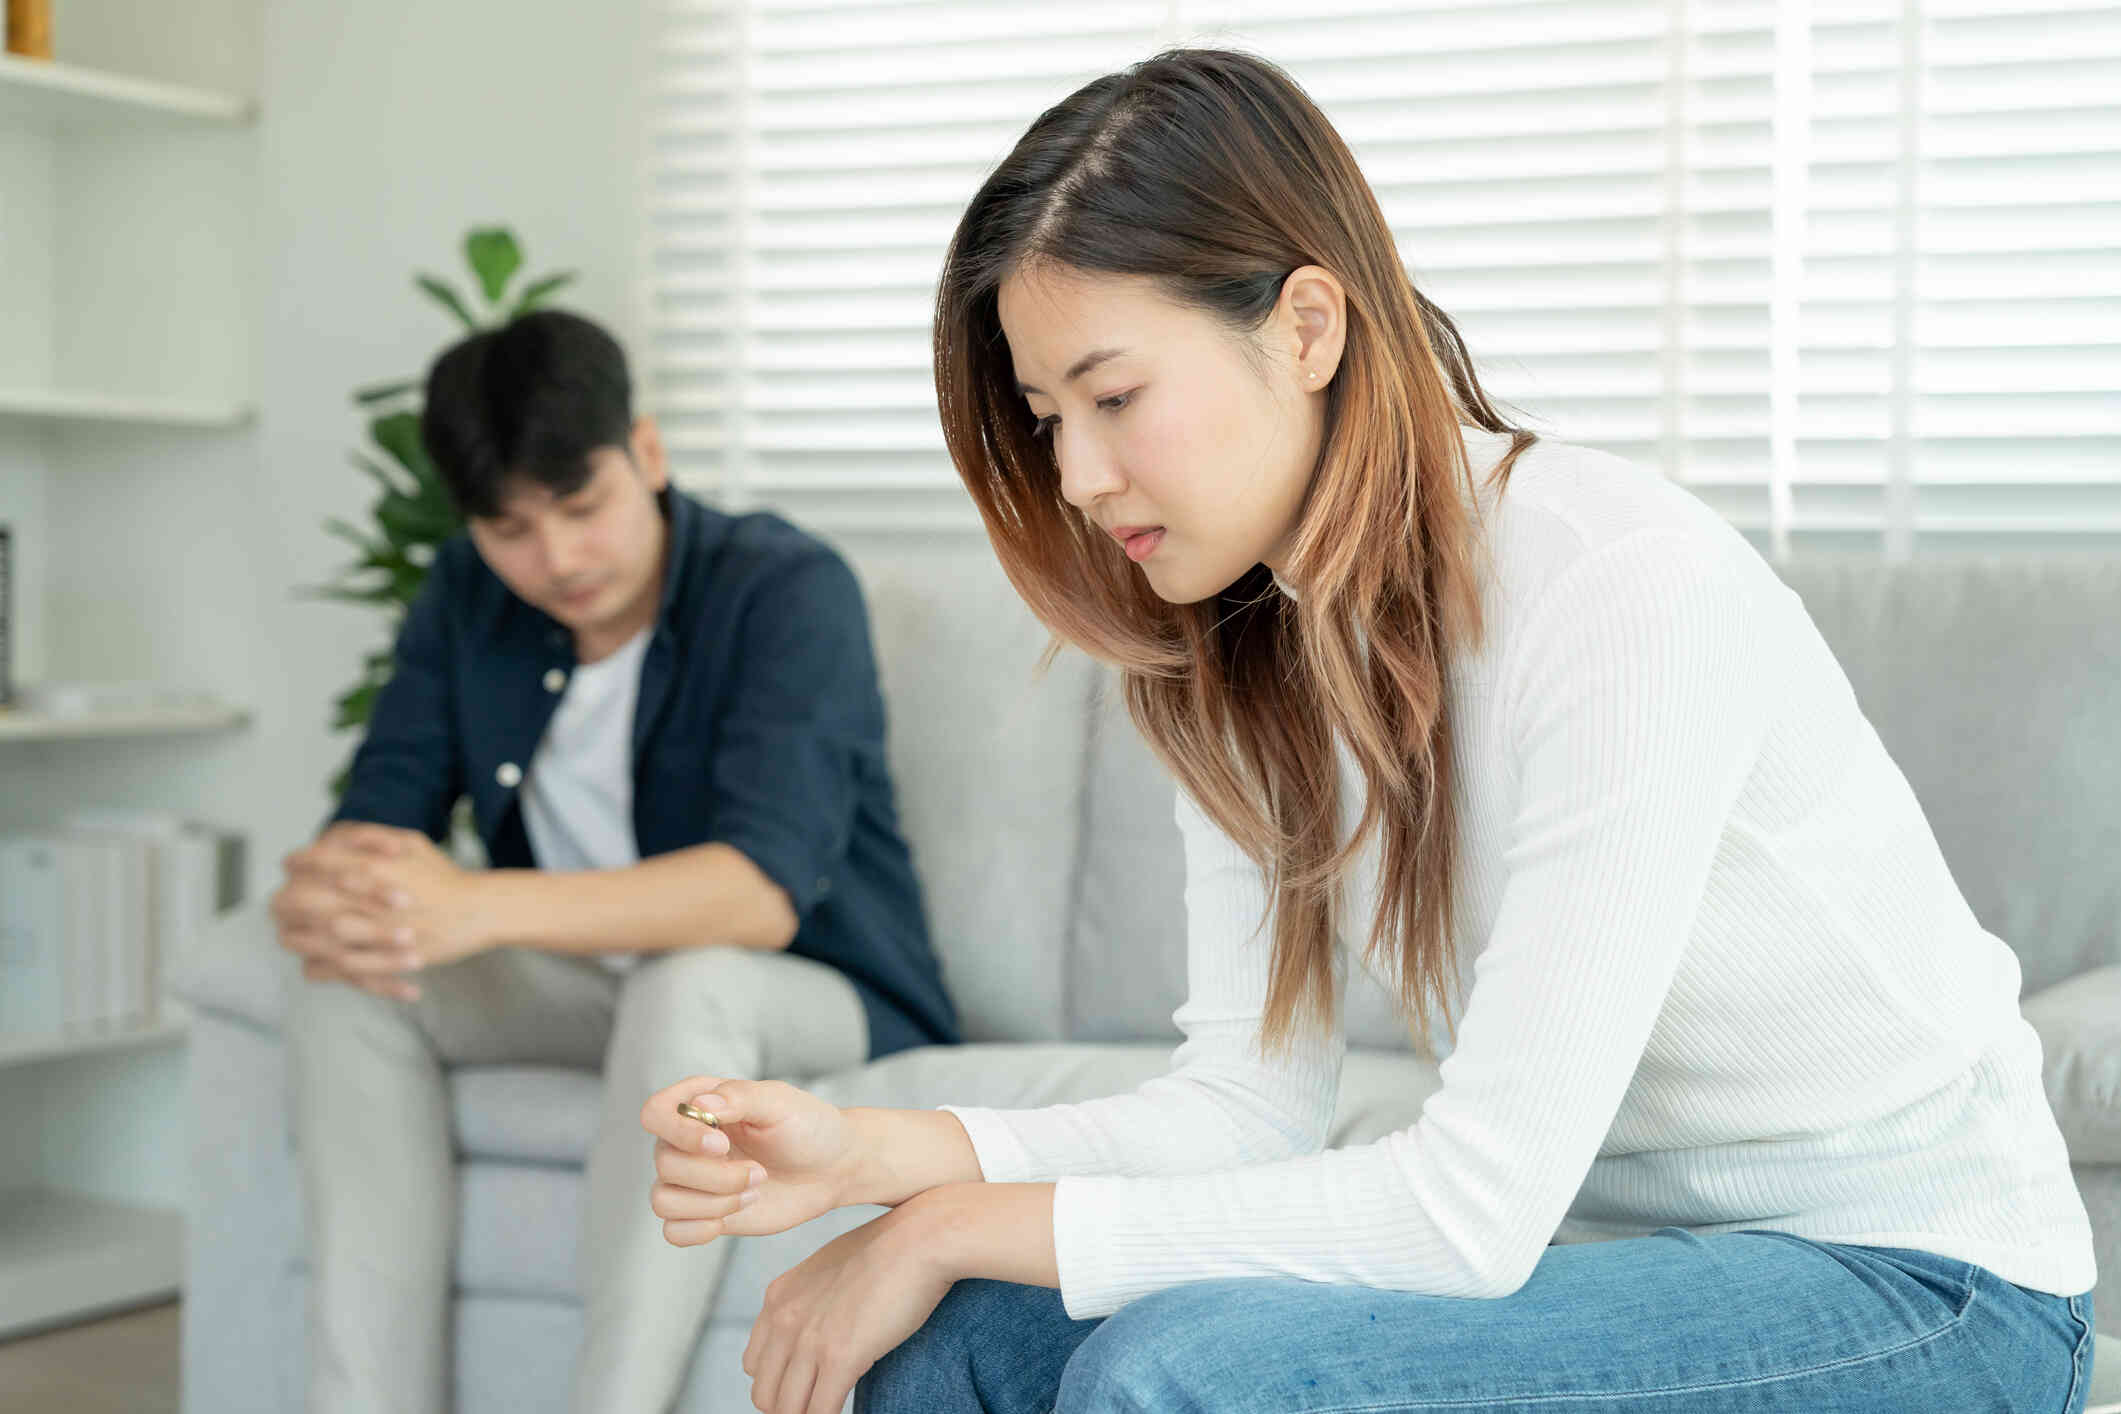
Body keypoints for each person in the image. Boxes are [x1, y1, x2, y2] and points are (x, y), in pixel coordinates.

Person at [637, 48, 2100, 1414]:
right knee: (950, 1345)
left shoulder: (1620, 590)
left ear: (1308, 326)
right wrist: (876, 1159)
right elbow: (1241, 1109)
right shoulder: (1237, 655)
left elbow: (1468, 1212)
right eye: (1043, 418)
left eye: (1114, 396)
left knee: (1179, 1371)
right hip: (1608, 1257)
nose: (1077, 473)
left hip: (1927, 1282)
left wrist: (962, 1218)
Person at [271, 308, 959, 1414]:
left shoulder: (782, 585)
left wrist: (480, 904)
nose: (557, 559)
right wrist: (340, 897)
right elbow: (376, 821)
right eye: (510, 530)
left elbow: (758, 891)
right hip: (597, 988)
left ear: (644, 451)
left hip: (815, 992)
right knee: (351, 989)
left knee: (686, 980)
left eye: (582, 507)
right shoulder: (465, 598)